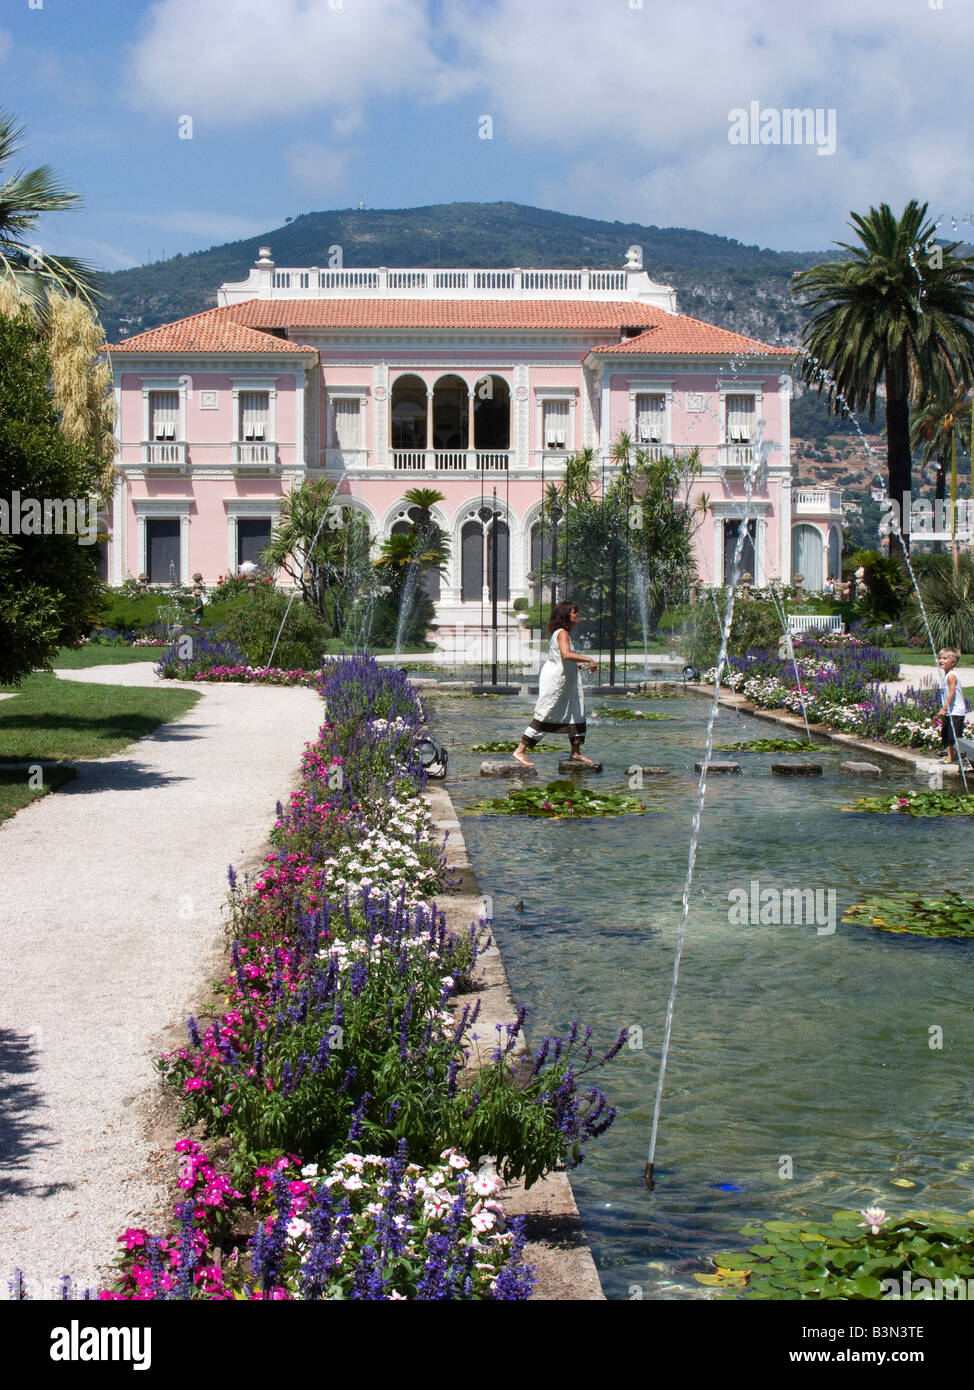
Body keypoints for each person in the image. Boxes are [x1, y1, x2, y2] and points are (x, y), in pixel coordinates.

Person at [513, 601, 597, 767]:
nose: (577, 615)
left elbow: (560, 655)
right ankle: (520, 750)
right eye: (574, 612)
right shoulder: (562, 633)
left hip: (567, 681)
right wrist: (588, 659)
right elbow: (566, 654)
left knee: (576, 711)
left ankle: (575, 752)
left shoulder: (562, 633)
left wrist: (577, 664)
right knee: (547, 711)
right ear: (566, 615)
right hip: (557, 681)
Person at [934, 647, 970, 767]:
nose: (941, 660)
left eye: (945, 658)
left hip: (956, 712)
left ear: (953, 662)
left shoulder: (951, 676)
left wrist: (944, 708)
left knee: (953, 736)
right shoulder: (947, 675)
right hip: (951, 712)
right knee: (946, 734)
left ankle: (955, 758)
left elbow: (952, 693)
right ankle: (951, 756)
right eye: (940, 658)